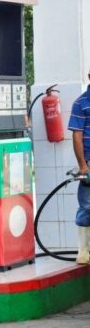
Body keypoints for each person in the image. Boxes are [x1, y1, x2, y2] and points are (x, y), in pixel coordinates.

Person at [68, 70, 90, 264]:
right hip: (89, 163)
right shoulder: (81, 103)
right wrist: (83, 166)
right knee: (88, 206)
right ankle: (83, 252)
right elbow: (77, 136)